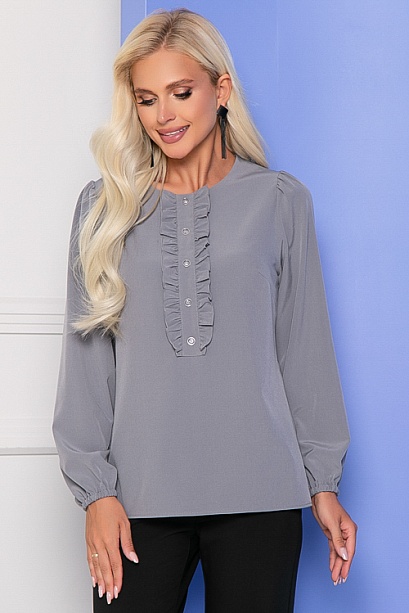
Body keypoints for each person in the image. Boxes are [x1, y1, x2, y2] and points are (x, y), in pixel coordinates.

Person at [53, 8, 357, 612]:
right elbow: (86, 363)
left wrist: (322, 484)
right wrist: (96, 493)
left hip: (262, 494)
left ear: (221, 90)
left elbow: (305, 352)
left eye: (181, 92)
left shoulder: (279, 201)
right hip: (137, 499)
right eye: (146, 99)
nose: (163, 115)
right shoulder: (105, 208)